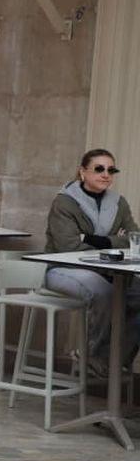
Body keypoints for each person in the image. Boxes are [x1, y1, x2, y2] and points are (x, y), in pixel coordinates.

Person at [44, 148, 140, 383]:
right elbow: (68, 246)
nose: (105, 174)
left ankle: (112, 361)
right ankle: (93, 359)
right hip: (62, 268)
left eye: (110, 170)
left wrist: (91, 239)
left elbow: (134, 237)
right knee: (102, 291)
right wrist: (114, 243)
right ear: (82, 172)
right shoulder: (65, 202)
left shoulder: (119, 203)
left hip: (108, 270)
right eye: (99, 169)